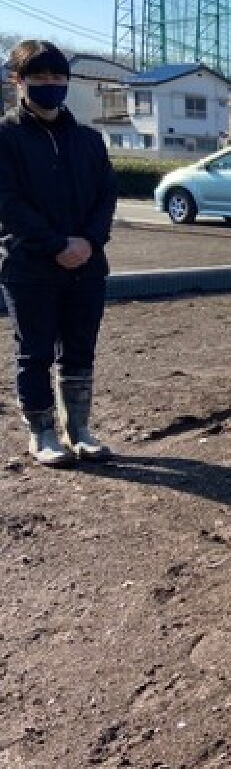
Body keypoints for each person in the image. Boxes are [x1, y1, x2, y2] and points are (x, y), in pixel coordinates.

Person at [0, 39, 117, 467]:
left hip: (86, 264)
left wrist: (88, 241)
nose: (50, 85)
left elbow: (106, 197)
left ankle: (80, 428)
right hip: (30, 264)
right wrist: (56, 244)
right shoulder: (6, 137)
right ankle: (42, 431)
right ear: (18, 81)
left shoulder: (87, 139)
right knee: (34, 350)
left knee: (81, 346)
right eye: (39, 77)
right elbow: (8, 203)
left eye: (57, 77)